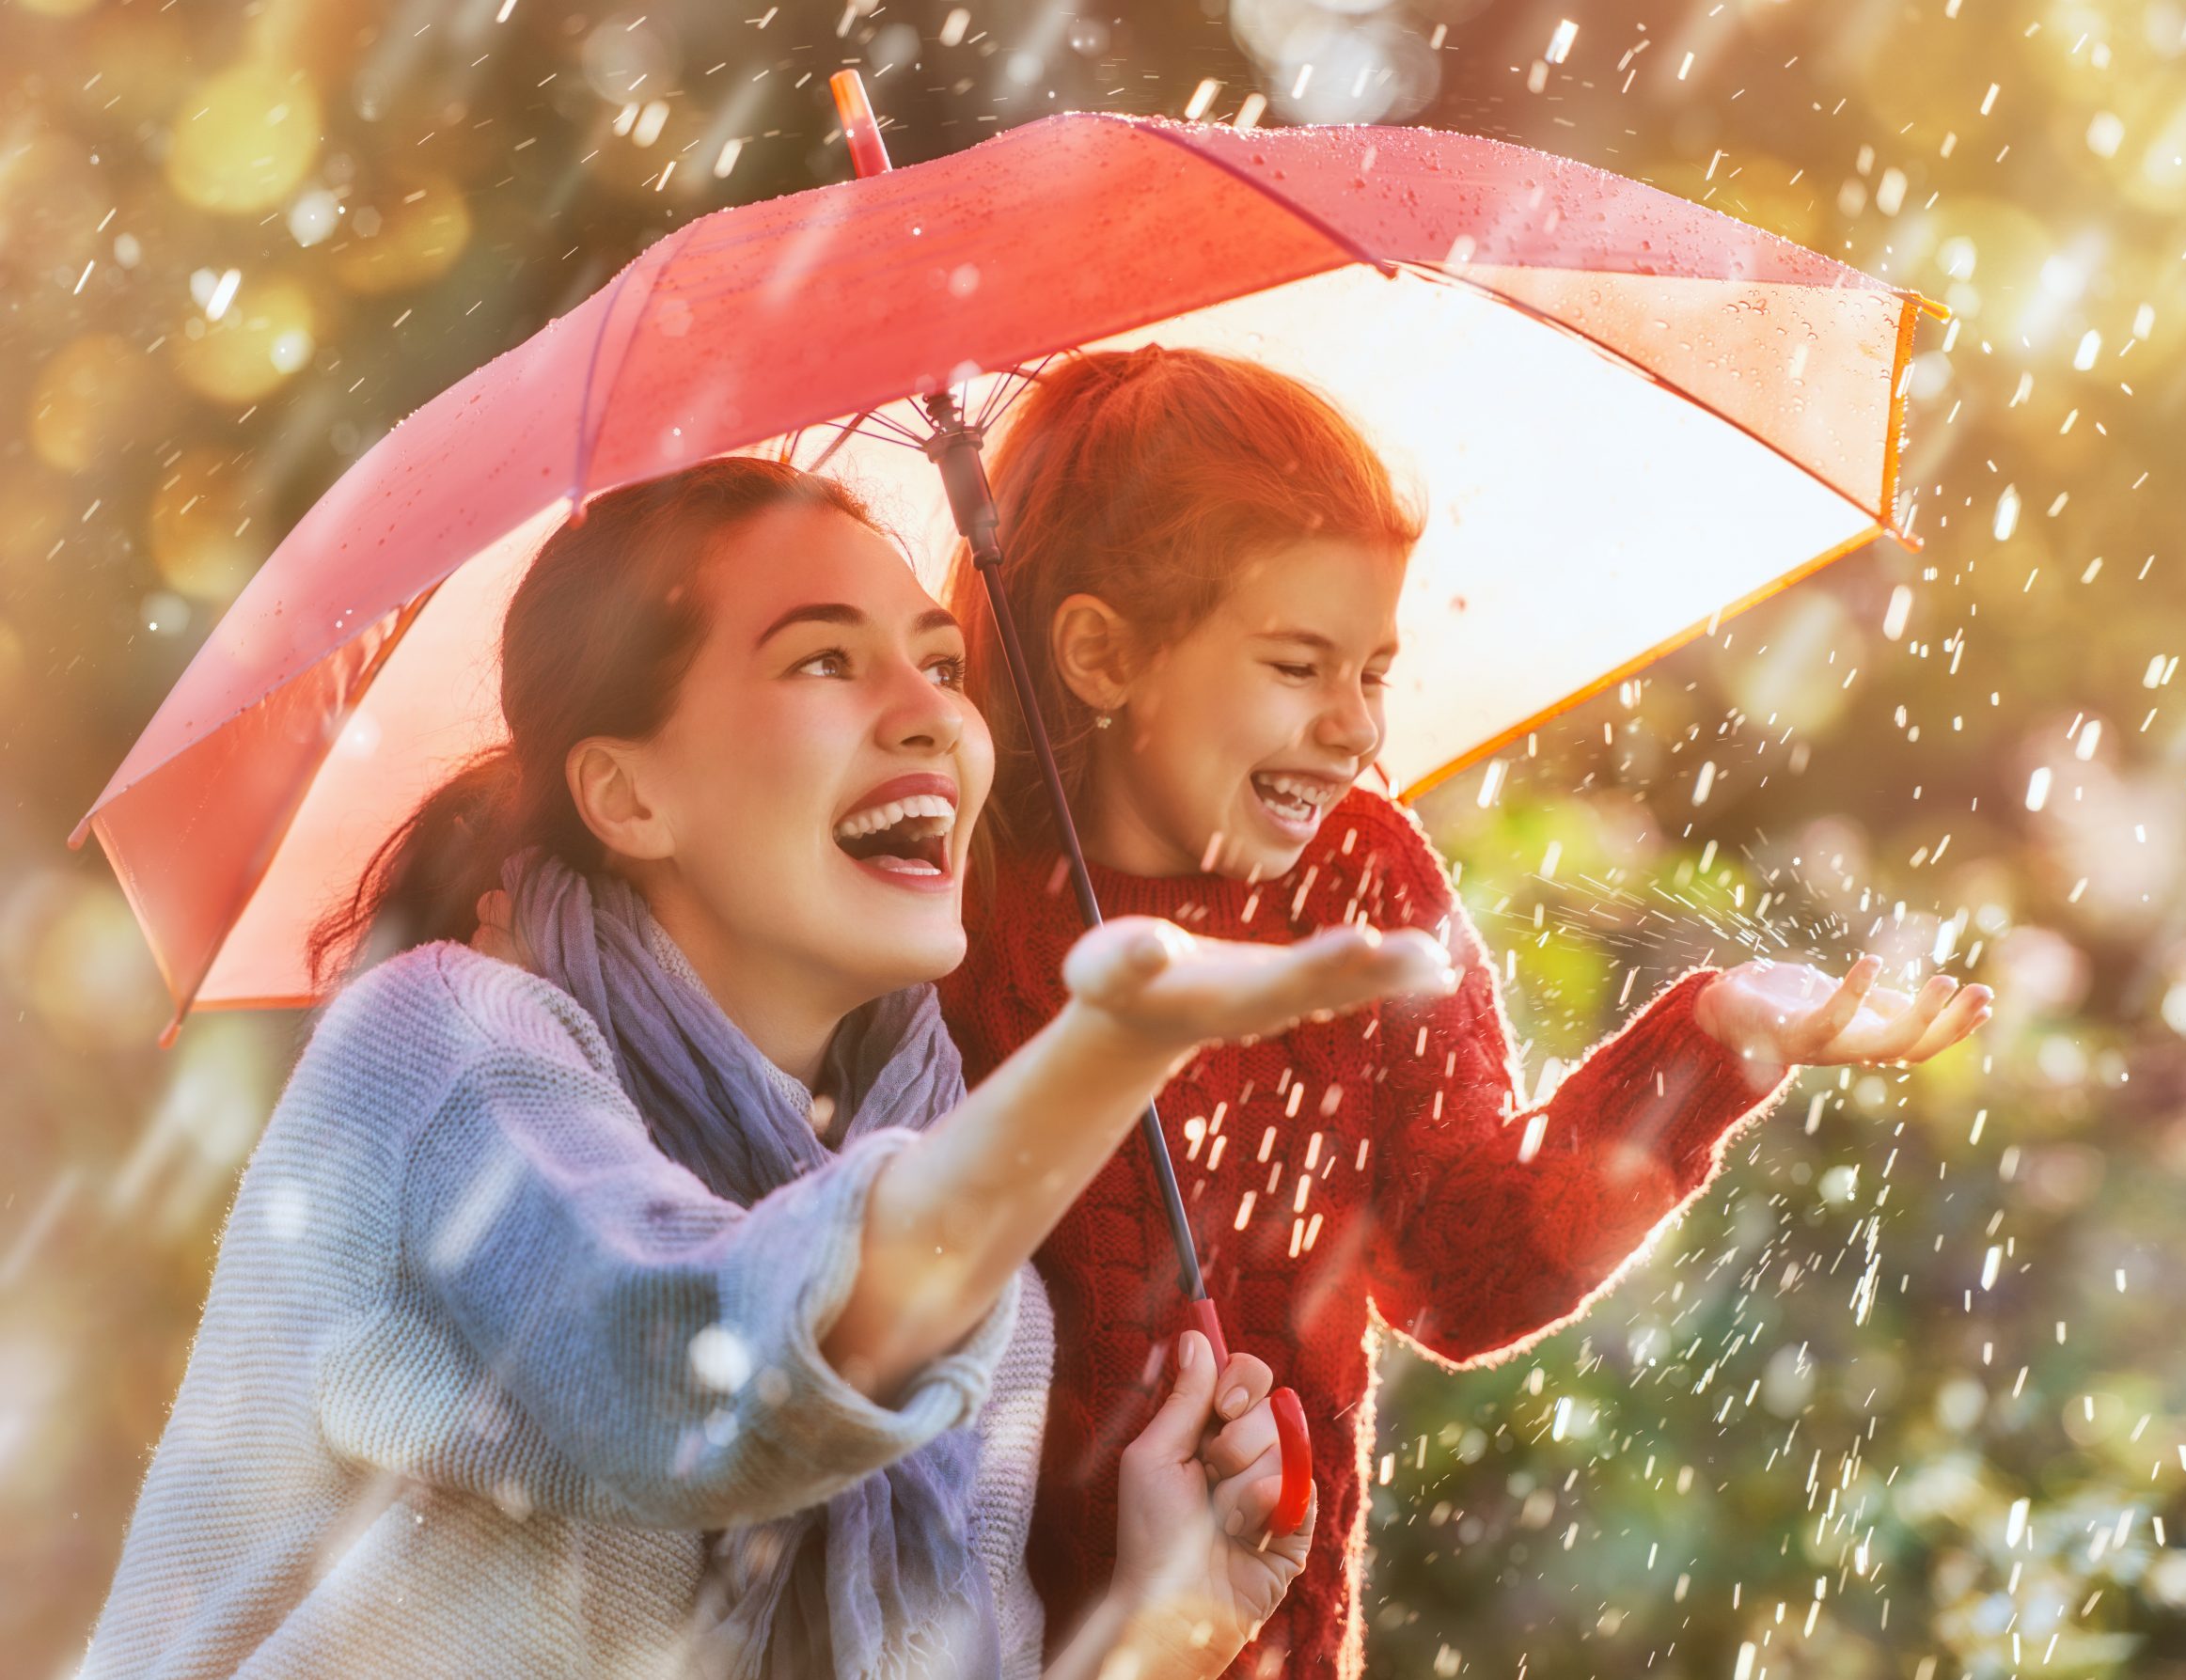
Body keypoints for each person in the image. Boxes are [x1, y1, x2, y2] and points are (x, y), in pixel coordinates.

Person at [81, 457, 1456, 1680]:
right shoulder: (444, 1049)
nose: (930, 717)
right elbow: (704, 1388)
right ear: (628, 795)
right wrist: (1122, 1045)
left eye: (943, 664)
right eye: (822, 660)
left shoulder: (976, 1296)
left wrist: (1165, 1629)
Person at [936, 347, 1995, 1676]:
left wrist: (1717, 1036)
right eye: (1297, 665)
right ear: (1099, 654)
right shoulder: (955, 917)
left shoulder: (1363, 885)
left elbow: (1466, 1268)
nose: (1355, 730)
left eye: (1373, 671)